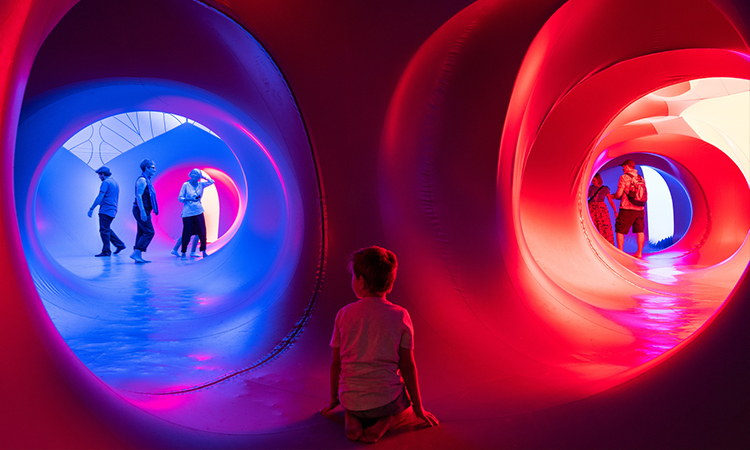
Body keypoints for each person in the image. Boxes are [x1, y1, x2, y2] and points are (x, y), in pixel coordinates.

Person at [320, 246, 439, 443]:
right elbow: (407, 365)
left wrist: (334, 399)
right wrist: (418, 407)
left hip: (349, 398)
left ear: (361, 282)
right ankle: (386, 422)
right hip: (385, 400)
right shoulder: (400, 315)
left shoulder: (344, 314)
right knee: (406, 409)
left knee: (354, 403)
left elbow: (336, 363)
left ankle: (352, 417)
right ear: (389, 283)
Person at [87, 166, 126, 257]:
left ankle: (106, 251)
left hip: (106, 209)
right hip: (113, 209)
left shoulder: (106, 182)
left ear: (103, 174)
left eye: (99, 175)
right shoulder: (114, 182)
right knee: (106, 229)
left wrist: (92, 208)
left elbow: (100, 196)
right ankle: (120, 245)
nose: (99, 177)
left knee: (104, 230)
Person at [177, 168, 215, 260]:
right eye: (192, 173)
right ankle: (183, 253)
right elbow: (180, 198)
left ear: (199, 176)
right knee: (187, 232)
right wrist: (190, 199)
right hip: (188, 212)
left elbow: (212, 181)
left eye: (196, 173)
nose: (194, 174)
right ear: (190, 174)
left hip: (198, 211)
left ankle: (203, 251)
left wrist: (203, 175)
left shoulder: (201, 184)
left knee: (202, 232)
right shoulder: (186, 185)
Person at [613, 159, 646, 258]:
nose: (623, 168)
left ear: (627, 166)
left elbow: (619, 194)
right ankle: (639, 253)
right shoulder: (640, 178)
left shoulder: (624, 177)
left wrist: (613, 196)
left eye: (623, 166)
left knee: (620, 231)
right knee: (640, 231)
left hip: (626, 208)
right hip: (640, 208)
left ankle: (621, 253)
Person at [131, 159, 158, 263]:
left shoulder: (147, 180)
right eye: (152, 167)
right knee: (149, 231)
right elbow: (138, 196)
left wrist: (147, 211)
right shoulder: (142, 180)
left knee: (142, 232)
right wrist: (142, 211)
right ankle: (136, 253)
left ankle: (137, 256)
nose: (154, 170)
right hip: (140, 209)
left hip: (144, 209)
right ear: (146, 168)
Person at [587, 173, 616, 245]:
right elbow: (586, 197)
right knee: (592, 225)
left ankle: (606, 243)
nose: (593, 181)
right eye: (592, 179)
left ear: (598, 179)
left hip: (601, 209)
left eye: (595, 179)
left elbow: (610, 201)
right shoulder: (590, 188)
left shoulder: (605, 189)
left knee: (604, 226)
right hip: (592, 208)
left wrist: (615, 211)